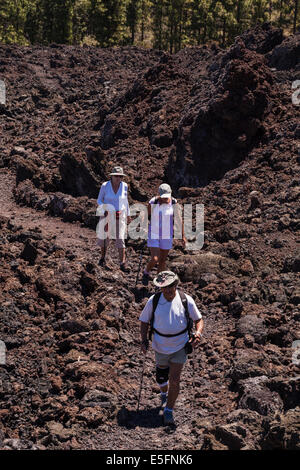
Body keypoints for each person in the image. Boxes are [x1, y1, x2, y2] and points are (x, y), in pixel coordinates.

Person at [139, 271, 204, 426]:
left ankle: (168, 410)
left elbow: (198, 319)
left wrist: (198, 333)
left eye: (170, 287)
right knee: (161, 377)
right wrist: (143, 340)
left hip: (180, 346)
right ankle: (163, 392)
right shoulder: (153, 301)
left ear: (176, 285)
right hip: (160, 346)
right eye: (164, 288)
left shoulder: (185, 300)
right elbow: (144, 321)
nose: (167, 290)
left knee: (175, 379)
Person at [142, 183, 186, 286]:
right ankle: (146, 272)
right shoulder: (154, 202)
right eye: (163, 197)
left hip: (167, 235)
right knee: (155, 259)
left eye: (167, 197)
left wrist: (183, 236)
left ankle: (158, 282)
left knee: (162, 260)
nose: (165, 199)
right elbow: (145, 214)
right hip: (154, 233)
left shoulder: (174, 203)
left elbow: (179, 220)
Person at [96, 166, 131, 272]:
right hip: (107, 215)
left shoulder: (124, 186)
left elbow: (126, 201)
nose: (118, 178)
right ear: (112, 176)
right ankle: (102, 258)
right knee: (105, 238)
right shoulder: (105, 186)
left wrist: (128, 214)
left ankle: (122, 263)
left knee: (120, 238)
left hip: (120, 215)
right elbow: (99, 200)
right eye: (116, 176)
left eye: (120, 176)